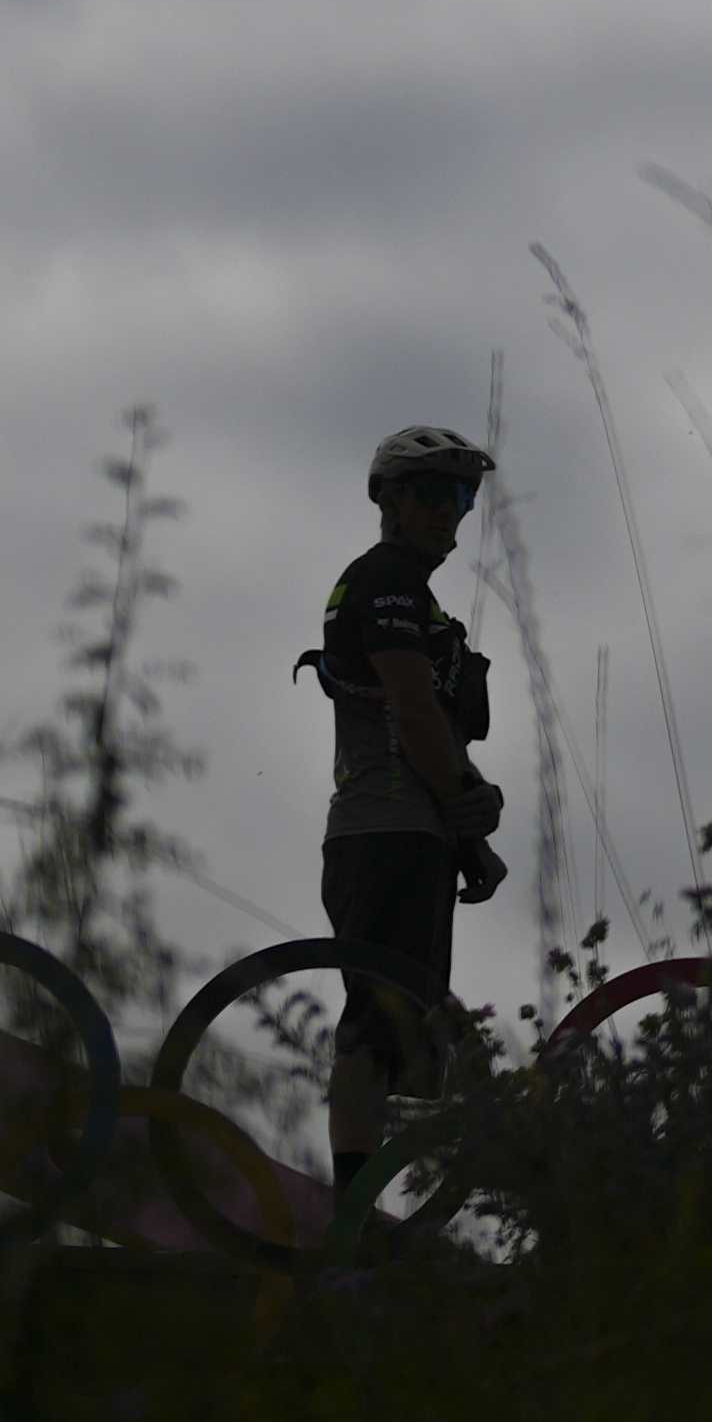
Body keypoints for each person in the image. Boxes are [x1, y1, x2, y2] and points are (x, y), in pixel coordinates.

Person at [311, 425, 509, 1189]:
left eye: (463, 498)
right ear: (386, 498)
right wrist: (469, 801)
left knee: (412, 1037)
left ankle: (369, 1208)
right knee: (376, 1023)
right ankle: (351, 1214)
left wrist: (467, 839)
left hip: (412, 834)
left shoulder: (416, 598)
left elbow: (431, 730)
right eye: (432, 493)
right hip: (386, 830)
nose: (450, 513)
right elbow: (415, 715)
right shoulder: (384, 580)